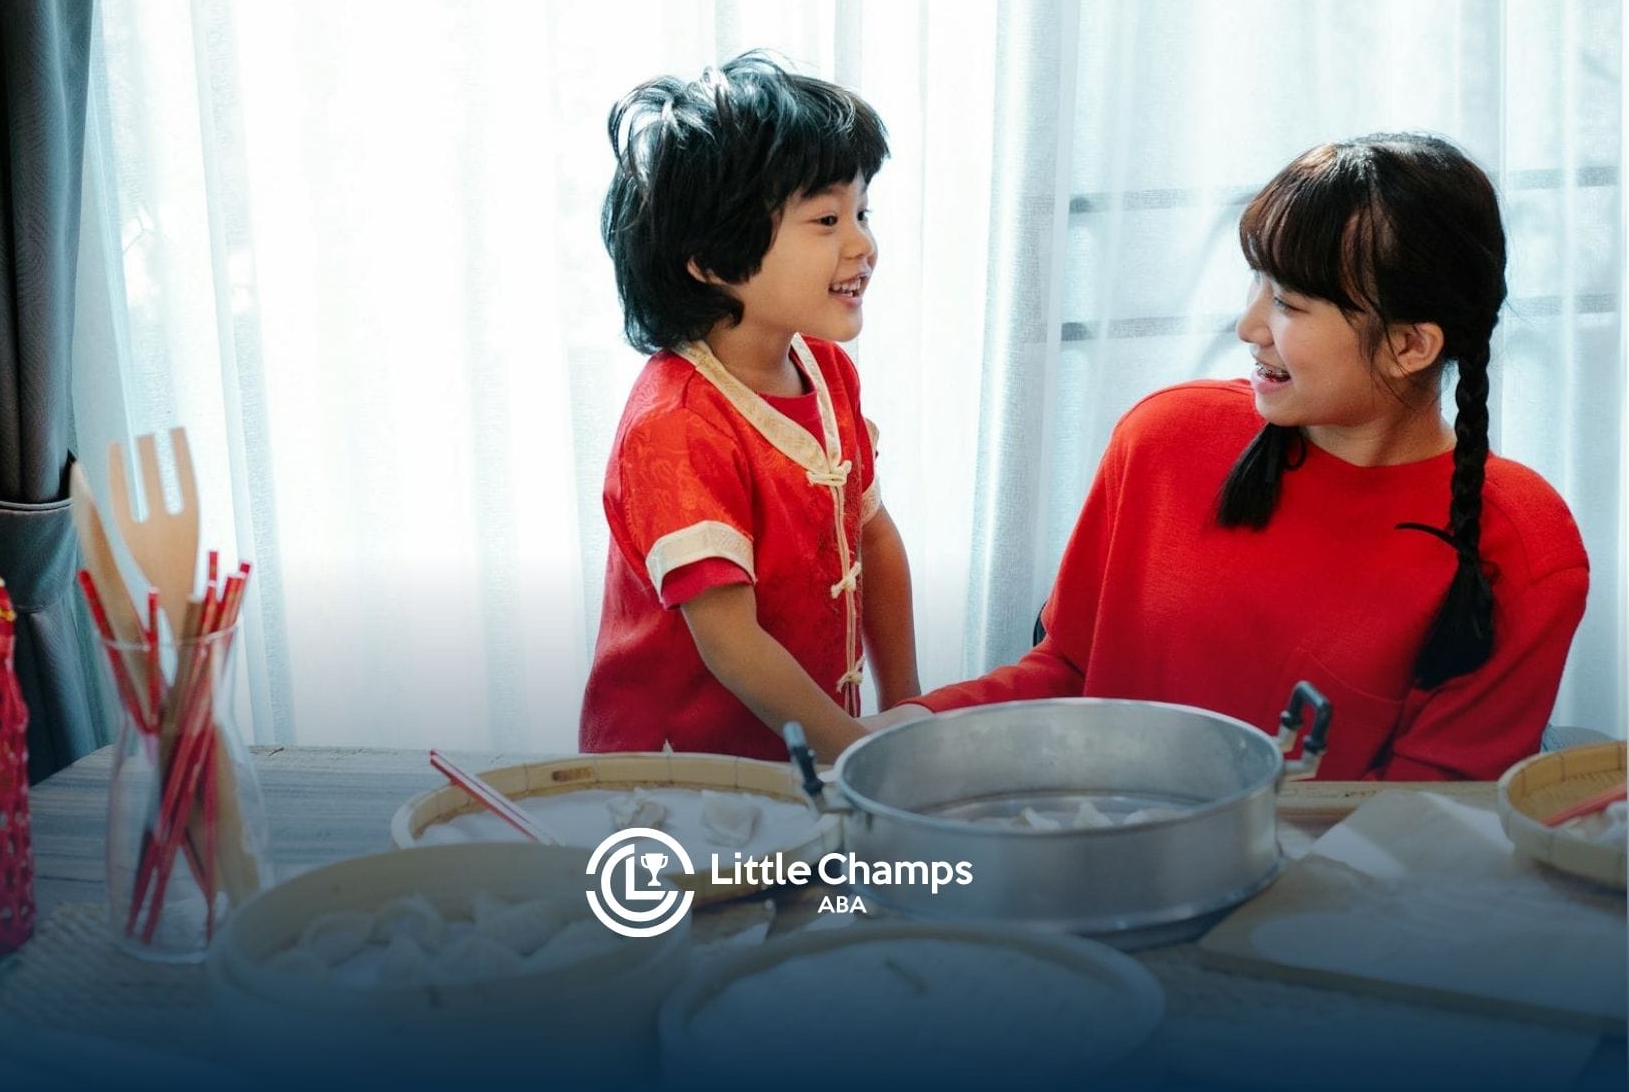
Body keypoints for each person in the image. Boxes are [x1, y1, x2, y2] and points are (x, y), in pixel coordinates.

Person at [875, 134, 1587, 782]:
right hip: (1089, 862)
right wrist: (906, 730)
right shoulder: (1162, 439)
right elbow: (1069, 672)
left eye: (1290, 304)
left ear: (1410, 346)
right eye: (1257, 283)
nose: (1249, 327)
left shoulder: (1523, 547)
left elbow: (1422, 826)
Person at [580, 52, 919, 763]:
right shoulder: (675, 426)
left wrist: (909, 710)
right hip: (681, 783)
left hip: (808, 758)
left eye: (862, 211)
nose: (863, 244)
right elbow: (731, 642)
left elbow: (875, 541)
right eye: (826, 218)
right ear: (710, 256)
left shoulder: (827, 372)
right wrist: (858, 755)